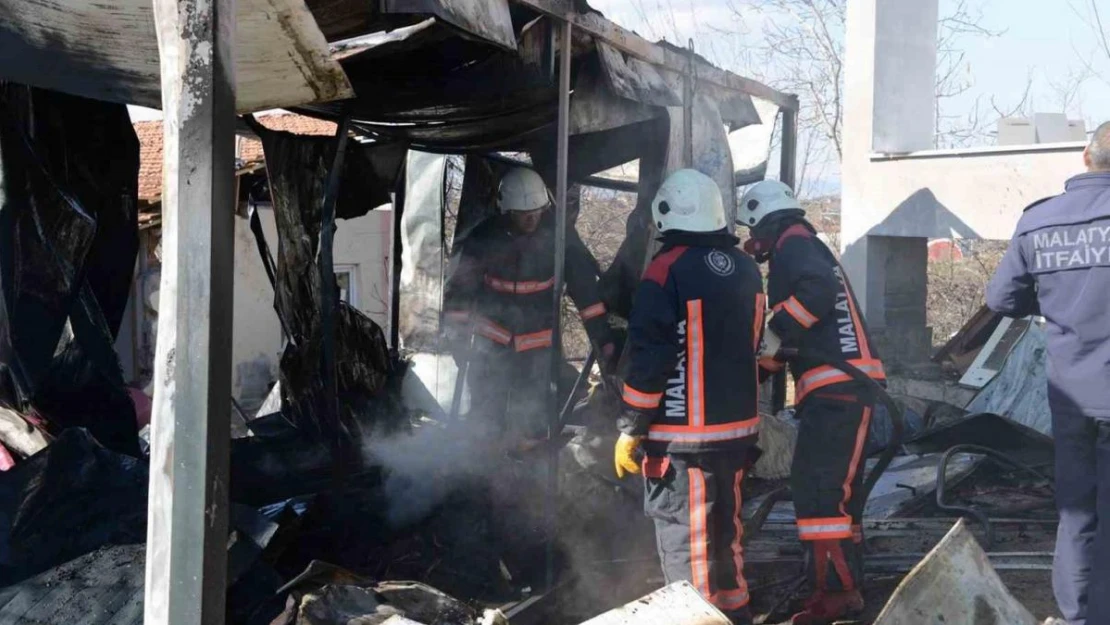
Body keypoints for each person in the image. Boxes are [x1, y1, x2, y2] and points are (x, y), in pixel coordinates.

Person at [614, 168, 764, 625]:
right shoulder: (745, 268)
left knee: (686, 539)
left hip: (684, 439)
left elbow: (650, 357)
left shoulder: (666, 270)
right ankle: (735, 615)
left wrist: (631, 428)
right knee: (723, 535)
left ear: (666, 214)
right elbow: (754, 341)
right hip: (737, 433)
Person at [737, 180, 885, 625]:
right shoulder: (803, 245)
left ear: (767, 220)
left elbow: (814, 297)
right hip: (845, 388)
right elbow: (798, 333)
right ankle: (846, 588)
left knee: (817, 492)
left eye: (754, 231)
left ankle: (833, 598)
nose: (754, 243)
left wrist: (773, 330)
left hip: (839, 388)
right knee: (838, 497)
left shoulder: (795, 246)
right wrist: (761, 366)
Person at [986, 121, 1110, 625]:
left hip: (1072, 394)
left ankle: (1078, 616)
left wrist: (1054, 298)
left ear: (1086, 156)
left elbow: (1001, 299)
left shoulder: (1039, 221)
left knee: (1077, 512)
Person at [443, 166, 615, 446]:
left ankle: (530, 478)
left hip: (539, 353)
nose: (531, 219)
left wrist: (602, 338)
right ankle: (480, 475)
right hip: (491, 352)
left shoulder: (559, 237)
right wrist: (457, 339)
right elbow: (459, 293)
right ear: (506, 211)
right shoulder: (483, 239)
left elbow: (586, 293)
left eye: (536, 211)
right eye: (524, 214)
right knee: (486, 422)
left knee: (537, 423)